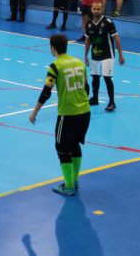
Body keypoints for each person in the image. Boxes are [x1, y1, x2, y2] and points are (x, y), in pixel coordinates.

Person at [29, 34, 90, 196]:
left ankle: (69, 185)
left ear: (53, 48)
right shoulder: (79, 62)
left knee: (62, 148)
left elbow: (46, 92)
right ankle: (74, 180)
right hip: (85, 112)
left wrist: (35, 111)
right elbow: (86, 87)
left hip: (68, 114)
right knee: (74, 144)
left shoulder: (55, 66)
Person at [84, 2, 125, 112]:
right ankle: (95, 98)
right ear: (91, 9)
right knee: (95, 77)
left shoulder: (108, 22)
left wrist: (121, 55)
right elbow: (88, 40)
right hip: (94, 55)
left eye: (98, 9)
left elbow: (116, 38)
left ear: (102, 10)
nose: (96, 10)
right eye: (94, 9)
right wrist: (85, 56)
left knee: (107, 78)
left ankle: (112, 102)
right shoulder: (88, 24)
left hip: (107, 55)